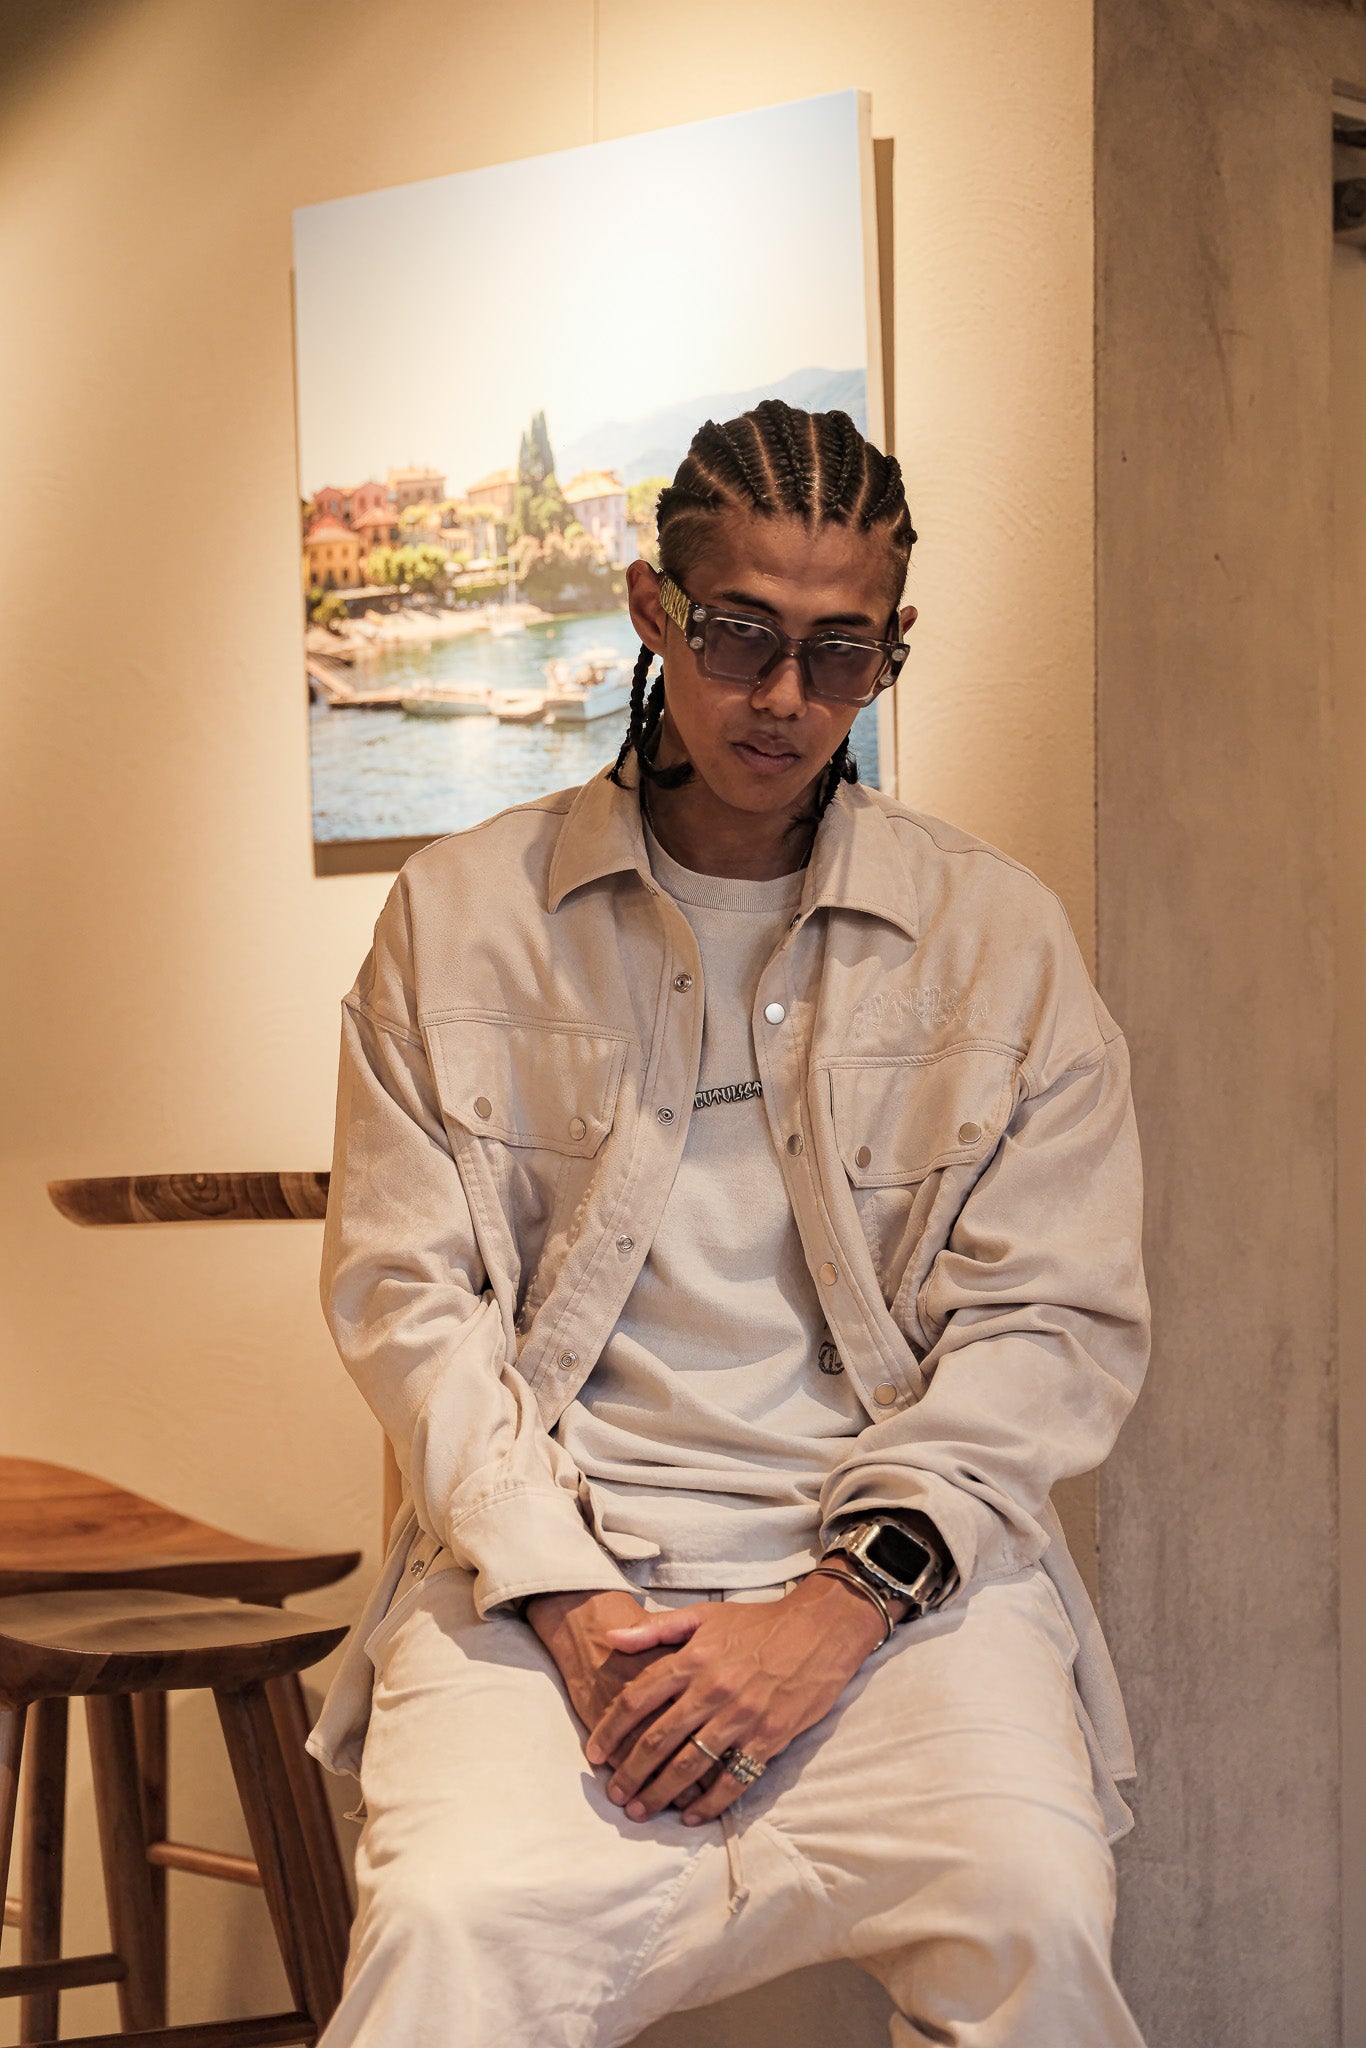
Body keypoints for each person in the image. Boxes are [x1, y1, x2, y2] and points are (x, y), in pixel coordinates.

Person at [307, 398, 1151, 2047]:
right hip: (547, 1576)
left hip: (898, 1586)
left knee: (1032, 1911)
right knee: (448, 1931)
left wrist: (838, 1609)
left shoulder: (995, 939)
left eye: (840, 654)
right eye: (740, 635)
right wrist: (569, 1604)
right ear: (653, 610)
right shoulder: (459, 917)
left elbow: (1051, 1324)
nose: (782, 697)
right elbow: (407, 1299)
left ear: (889, 650)